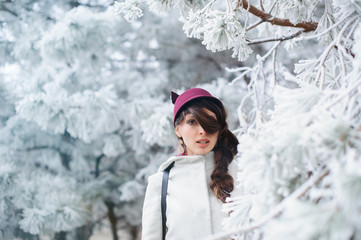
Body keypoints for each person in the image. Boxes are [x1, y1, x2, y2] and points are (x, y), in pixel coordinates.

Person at [141, 88, 239, 240]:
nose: (202, 131)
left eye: (210, 122)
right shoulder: (161, 183)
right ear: (178, 129)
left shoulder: (241, 174)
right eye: (192, 122)